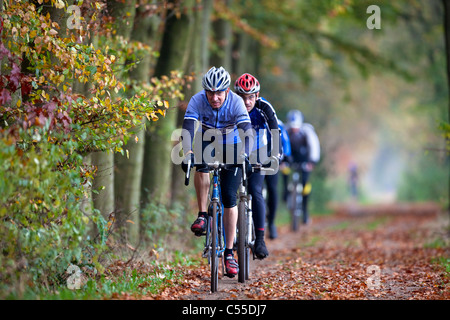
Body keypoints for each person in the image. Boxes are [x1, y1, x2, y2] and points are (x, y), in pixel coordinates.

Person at [180, 66, 253, 278]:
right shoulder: (197, 100)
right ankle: (203, 214)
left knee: (230, 198)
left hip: (231, 144)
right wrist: (187, 152)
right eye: (210, 93)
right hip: (206, 141)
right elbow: (187, 128)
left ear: (227, 91)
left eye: (219, 92)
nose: (214, 97)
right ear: (205, 92)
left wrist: (245, 155)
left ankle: (229, 253)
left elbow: (247, 132)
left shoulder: (236, 102)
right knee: (199, 164)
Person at [234, 73, 281, 259]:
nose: (247, 102)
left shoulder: (264, 107)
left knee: (255, 190)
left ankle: (260, 239)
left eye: (250, 97)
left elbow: (275, 130)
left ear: (257, 95)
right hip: (235, 151)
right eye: (242, 97)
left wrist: (276, 154)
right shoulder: (230, 107)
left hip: (258, 152)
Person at [284, 110, 320, 225]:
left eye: (296, 127)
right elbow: (281, 145)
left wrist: (312, 162)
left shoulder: (307, 131)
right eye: (293, 127)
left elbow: (313, 147)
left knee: (305, 182)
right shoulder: (286, 131)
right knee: (285, 173)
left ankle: (305, 211)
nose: (295, 129)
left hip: (304, 158)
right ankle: (285, 192)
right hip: (290, 158)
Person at [265, 119, 291, 239]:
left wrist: (284, 157)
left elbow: (285, 142)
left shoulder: (278, 123)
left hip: (272, 160)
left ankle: (271, 223)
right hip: (254, 158)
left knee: (272, 189)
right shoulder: (248, 117)